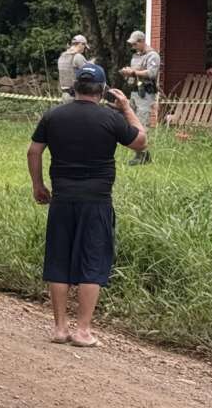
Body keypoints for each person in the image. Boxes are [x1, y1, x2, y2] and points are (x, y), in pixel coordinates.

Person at [27, 63, 147, 347]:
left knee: (59, 259)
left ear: (74, 89)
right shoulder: (110, 117)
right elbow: (140, 142)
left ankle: (59, 329)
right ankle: (83, 331)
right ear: (103, 90)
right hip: (97, 200)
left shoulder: (54, 115)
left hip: (63, 198)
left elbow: (34, 150)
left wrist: (38, 185)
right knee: (92, 261)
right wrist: (127, 108)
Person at [119, 30, 160, 165]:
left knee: (142, 123)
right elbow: (133, 74)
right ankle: (141, 154)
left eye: (135, 44)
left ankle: (142, 155)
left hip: (146, 92)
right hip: (135, 92)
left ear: (142, 41)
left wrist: (134, 72)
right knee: (133, 122)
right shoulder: (135, 57)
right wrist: (127, 73)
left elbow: (152, 73)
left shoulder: (152, 55)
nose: (133, 47)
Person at [57, 35, 89, 103]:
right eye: (84, 47)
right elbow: (89, 73)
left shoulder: (62, 57)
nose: (84, 50)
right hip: (76, 96)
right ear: (81, 44)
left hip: (64, 95)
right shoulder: (78, 56)